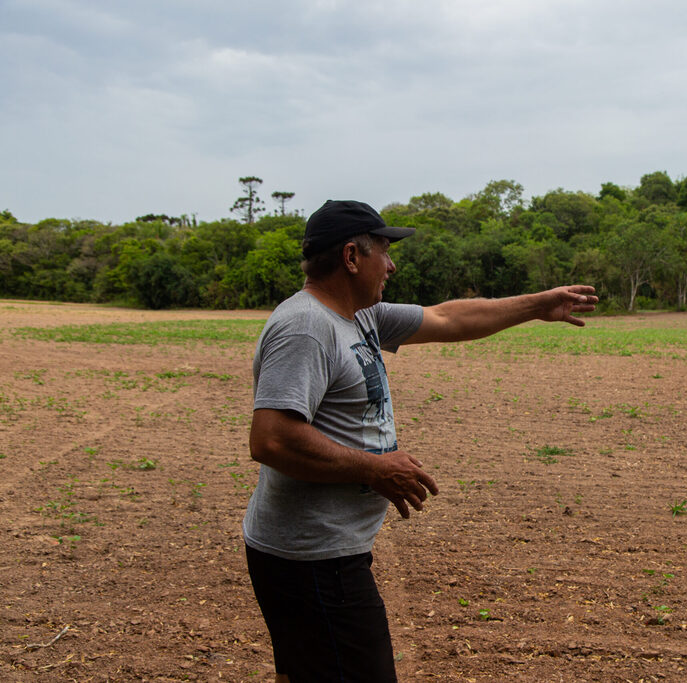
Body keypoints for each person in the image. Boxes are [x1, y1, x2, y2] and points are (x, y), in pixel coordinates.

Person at [243, 199, 598, 682]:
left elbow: (449, 318)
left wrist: (538, 306)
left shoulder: (359, 316)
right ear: (351, 257)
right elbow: (272, 440)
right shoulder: (307, 327)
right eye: (384, 251)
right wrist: (374, 468)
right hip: (313, 559)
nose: (391, 266)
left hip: (317, 551)